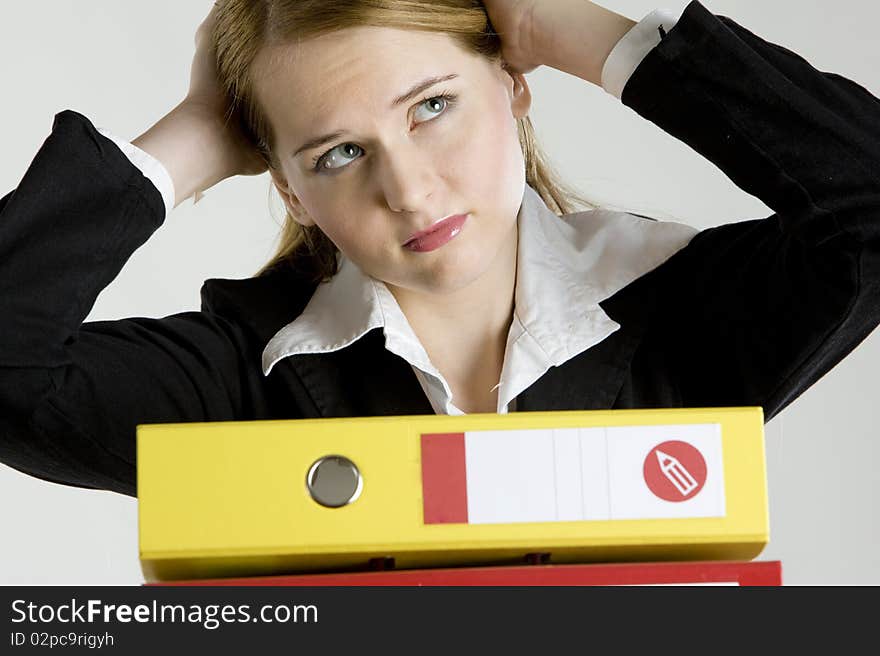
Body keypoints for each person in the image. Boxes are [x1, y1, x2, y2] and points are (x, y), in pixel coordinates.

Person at [1, 0, 878, 498]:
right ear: (289, 191)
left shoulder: (680, 310)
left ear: (513, 87)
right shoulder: (242, 379)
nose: (411, 191)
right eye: (338, 154)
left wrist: (577, 31)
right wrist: (190, 138)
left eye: (431, 107)